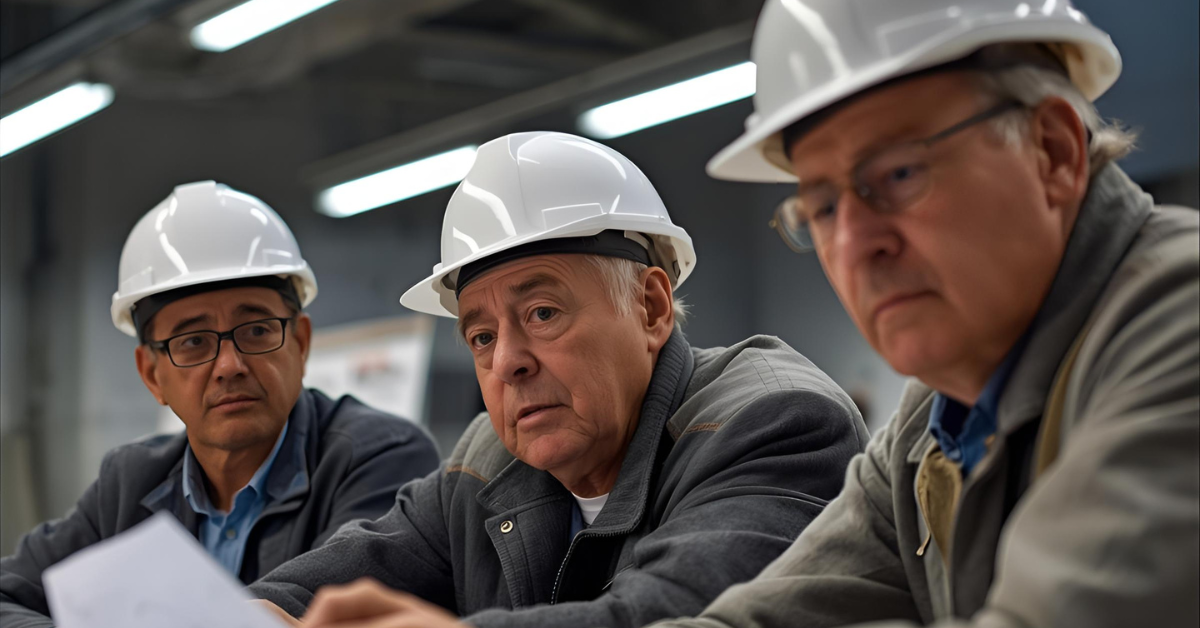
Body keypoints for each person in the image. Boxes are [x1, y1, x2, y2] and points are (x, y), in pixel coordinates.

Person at [651, 1, 1199, 627]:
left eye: (899, 173)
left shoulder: (1181, 322)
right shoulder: (933, 423)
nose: (855, 245)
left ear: (1052, 152)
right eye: (823, 208)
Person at [249, 131, 869, 628]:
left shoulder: (774, 423)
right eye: (482, 336)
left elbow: (667, 612)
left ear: (650, 308)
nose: (506, 362)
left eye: (542, 313)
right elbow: (315, 586)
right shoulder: (483, 467)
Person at [0, 181, 441, 628]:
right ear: (152, 374)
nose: (229, 366)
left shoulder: (378, 457)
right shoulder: (130, 484)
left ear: (301, 343)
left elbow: (329, 607)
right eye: (193, 341)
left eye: (256, 330)